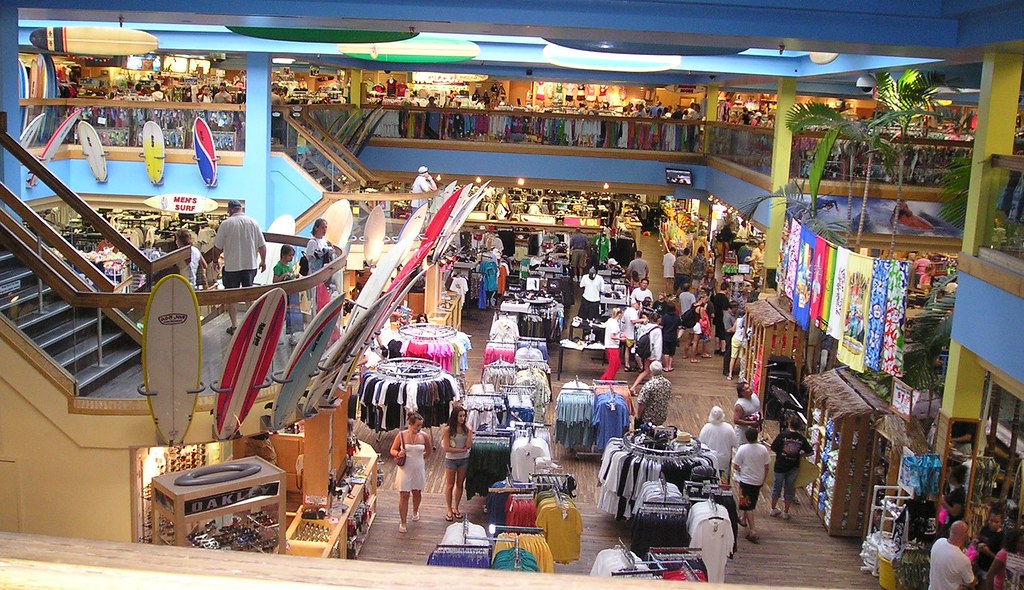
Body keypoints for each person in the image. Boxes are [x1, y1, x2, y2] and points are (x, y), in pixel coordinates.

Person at [211, 199, 267, 335]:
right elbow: (262, 246)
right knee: (249, 295)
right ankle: (252, 324)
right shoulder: (253, 223)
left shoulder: (226, 224)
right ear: (241, 209)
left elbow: (217, 247)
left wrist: (215, 261)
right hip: (250, 265)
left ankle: (235, 325)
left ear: (230, 210)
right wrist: (263, 261)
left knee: (232, 296)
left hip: (232, 266)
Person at [390, 412, 431, 533]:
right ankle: (403, 522)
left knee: (417, 492)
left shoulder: (424, 436)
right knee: (404, 494)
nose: (419, 428)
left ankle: (415, 511)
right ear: (411, 424)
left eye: (421, 426)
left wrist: (421, 459)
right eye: (417, 425)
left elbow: (429, 450)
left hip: (418, 468)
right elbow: (392, 450)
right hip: (405, 468)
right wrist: (398, 454)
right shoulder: (401, 435)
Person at [769, 413, 812, 520]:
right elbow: (810, 452)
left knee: (776, 488)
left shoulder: (782, 435)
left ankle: (773, 509)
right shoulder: (801, 439)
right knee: (789, 490)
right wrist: (800, 454)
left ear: (789, 424)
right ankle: (785, 512)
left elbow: (773, 447)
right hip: (793, 466)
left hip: (780, 465)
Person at [733, 427, 770, 544]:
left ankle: (752, 530)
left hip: (746, 480)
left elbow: (735, 465)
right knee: (751, 502)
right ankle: (743, 519)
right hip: (758, 481)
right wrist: (763, 479)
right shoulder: (763, 449)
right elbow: (767, 466)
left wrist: (740, 470)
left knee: (747, 506)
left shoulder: (743, 449)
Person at [441, 407, 473, 522]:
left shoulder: (466, 428)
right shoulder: (448, 430)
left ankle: (456, 507)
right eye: (460, 416)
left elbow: (469, 445)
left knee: (460, 485)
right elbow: (446, 448)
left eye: (464, 416)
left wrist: (470, 432)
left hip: (464, 460)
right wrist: (461, 450)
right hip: (451, 460)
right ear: (455, 416)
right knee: (450, 485)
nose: (462, 418)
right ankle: (449, 509)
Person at [929, 520, 976, 590]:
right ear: (965, 536)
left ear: (949, 530)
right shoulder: (963, 559)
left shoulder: (938, 542)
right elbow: (970, 582)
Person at [700, 406, 737, 481]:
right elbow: (735, 443)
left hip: (710, 459)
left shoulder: (706, 428)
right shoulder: (728, 428)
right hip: (724, 460)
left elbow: (701, 443)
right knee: (723, 481)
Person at [273, 245, 303, 341]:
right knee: (281, 315)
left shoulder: (290, 265)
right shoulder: (278, 267)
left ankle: (292, 334)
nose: (291, 258)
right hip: (283, 294)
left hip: (291, 293)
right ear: (283, 255)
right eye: (290, 255)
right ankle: (277, 335)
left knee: (292, 314)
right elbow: (275, 281)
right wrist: (283, 276)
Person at [630, 312, 662, 393]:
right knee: (655, 373)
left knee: (647, 371)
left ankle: (634, 387)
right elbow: (658, 345)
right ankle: (652, 391)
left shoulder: (644, 327)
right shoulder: (657, 330)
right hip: (653, 354)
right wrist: (658, 358)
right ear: (658, 320)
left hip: (646, 352)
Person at [974, 505, 1004, 583]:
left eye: (996, 522)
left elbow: (1001, 561)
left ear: (1001, 522)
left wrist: (988, 552)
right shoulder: (985, 529)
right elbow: (979, 539)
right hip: (978, 565)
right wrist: (976, 543)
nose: (993, 524)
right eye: (991, 521)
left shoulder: (1002, 537)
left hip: (988, 570)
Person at [636, 361, 671, 426]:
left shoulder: (649, 385)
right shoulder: (668, 383)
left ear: (651, 371)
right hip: (662, 415)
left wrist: (638, 416)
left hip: (649, 417)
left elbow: (641, 402)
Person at [939, 464, 969, 538]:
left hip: (951, 525)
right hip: (946, 523)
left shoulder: (959, 493)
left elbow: (955, 512)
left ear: (953, 477)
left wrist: (943, 503)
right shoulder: (954, 490)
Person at [733, 380, 762, 445]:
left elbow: (759, 406)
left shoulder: (754, 396)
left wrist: (761, 415)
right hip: (743, 434)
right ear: (742, 393)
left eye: (749, 387)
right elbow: (736, 420)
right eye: (747, 389)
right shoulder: (740, 405)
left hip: (753, 431)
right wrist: (751, 423)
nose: (750, 389)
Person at [600, 308, 623, 381]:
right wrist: (621, 339)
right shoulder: (614, 324)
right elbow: (612, 336)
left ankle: (604, 379)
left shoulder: (610, 321)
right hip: (612, 347)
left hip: (609, 346)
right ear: (619, 314)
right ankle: (607, 381)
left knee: (616, 365)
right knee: (613, 366)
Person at [660, 301, 681, 372]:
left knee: (666, 352)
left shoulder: (665, 317)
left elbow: (662, 326)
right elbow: (679, 326)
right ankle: (670, 366)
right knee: (672, 353)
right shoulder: (677, 317)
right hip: (673, 336)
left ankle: (666, 367)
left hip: (665, 336)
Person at [712, 282, 732, 354]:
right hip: (722, 318)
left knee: (717, 333)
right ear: (726, 289)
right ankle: (723, 349)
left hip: (716, 317)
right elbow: (725, 310)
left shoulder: (716, 296)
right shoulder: (724, 298)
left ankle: (717, 347)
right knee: (723, 333)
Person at [621, 298, 641, 372]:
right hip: (632, 334)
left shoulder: (626, 310)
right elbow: (633, 321)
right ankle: (640, 366)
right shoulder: (632, 311)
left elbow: (623, 321)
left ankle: (627, 364)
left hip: (626, 333)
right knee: (636, 350)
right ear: (634, 304)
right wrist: (642, 320)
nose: (639, 306)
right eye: (638, 304)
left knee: (627, 349)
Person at [729, 308, 747, 379]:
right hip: (742, 340)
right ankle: (741, 373)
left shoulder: (738, 320)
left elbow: (733, 329)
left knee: (733, 357)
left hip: (735, 338)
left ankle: (730, 374)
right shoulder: (747, 321)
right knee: (741, 357)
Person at [723, 301, 739, 377]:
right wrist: (735, 327)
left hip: (734, 334)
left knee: (732, 353)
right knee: (728, 352)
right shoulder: (727, 316)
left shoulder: (735, 314)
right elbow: (728, 329)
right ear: (732, 308)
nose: (737, 309)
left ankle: (731, 369)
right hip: (729, 335)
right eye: (736, 307)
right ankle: (726, 370)